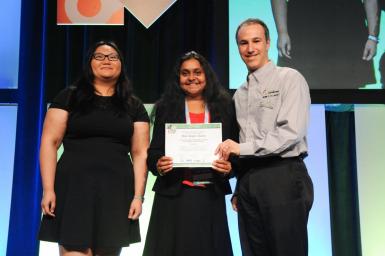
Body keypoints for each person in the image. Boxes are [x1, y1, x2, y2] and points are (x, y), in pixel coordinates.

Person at [38, 40, 150, 256]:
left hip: (116, 190)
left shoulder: (133, 105)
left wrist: (138, 196)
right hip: (73, 188)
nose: (106, 60)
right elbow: (49, 143)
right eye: (99, 56)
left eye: (113, 57)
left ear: (121, 65)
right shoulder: (69, 96)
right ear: (89, 63)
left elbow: (140, 153)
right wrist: (48, 189)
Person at [216, 19, 314, 256]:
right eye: (243, 43)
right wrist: (240, 186)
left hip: (282, 175)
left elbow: (290, 132)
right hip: (250, 180)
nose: (250, 49)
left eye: (256, 41)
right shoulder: (239, 94)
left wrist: (241, 148)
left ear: (268, 43)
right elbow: (244, 141)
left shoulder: (289, 78)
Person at [142, 51, 238, 256]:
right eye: (185, 73)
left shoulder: (225, 107)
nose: (192, 78)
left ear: (207, 76)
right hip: (174, 196)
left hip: (209, 196)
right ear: (178, 79)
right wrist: (158, 164)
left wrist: (230, 168)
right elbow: (153, 153)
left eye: (197, 72)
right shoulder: (166, 108)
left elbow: (236, 152)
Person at [271, 0, 380, 89]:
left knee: (347, 91)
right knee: (299, 89)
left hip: (346, 28)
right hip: (304, 29)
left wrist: (373, 37)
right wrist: (282, 32)